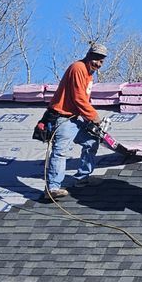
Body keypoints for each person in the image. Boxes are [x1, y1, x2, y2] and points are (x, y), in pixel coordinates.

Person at [42, 43, 107, 200]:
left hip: (74, 118)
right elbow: (79, 98)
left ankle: (82, 179)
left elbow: (82, 100)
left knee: (91, 141)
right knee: (60, 150)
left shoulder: (89, 73)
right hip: (63, 118)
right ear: (89, 55)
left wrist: (89, 120)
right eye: (96, 58)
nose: (98, 63)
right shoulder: (78, 68)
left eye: (101, 61)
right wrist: (95, 118)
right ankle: (52, 188)